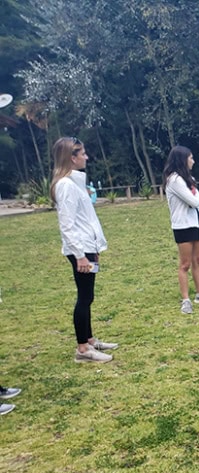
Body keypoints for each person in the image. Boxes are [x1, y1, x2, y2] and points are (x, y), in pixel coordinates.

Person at [51, 137, 118, 363]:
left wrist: (94, 248)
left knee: (88, 296)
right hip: (79, 251)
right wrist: (80, 255)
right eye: (83, 154)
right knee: (84, 296)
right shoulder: (66, 186)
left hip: (87, 248)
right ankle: (82, 349)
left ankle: (89, 339)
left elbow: (86, 219)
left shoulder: (76, 183)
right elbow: (67, 225)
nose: (86, 157)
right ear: (72, 157)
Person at [163, 145, 199, 314]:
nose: (193, 161)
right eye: (191, 158)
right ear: (182, 159)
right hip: (183, 226)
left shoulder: (188, 179)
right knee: (185, 263)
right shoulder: (174, 180)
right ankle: (186, 299)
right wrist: (196, 197)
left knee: (198, 259)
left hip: (195, 223)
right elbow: (195, 201)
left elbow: (198, 200)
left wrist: (196, 196)